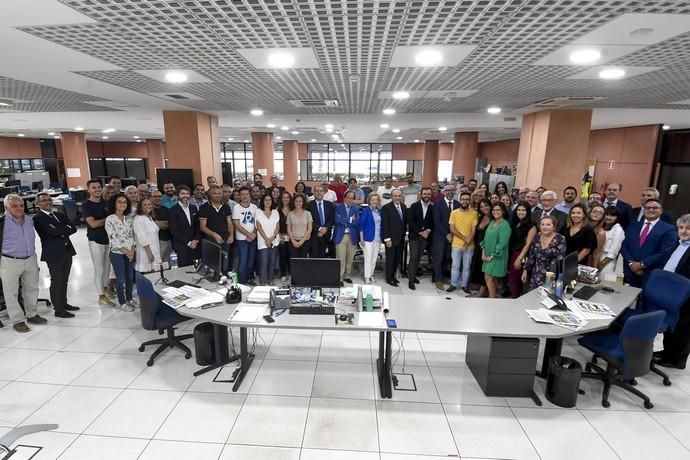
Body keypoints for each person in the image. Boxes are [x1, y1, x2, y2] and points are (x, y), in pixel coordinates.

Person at [0, 195, 47, 332]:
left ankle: (32, 314)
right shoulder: (2, 222)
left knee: (32, 288)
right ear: (6, 207)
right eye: (15, 206)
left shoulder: (29, 220)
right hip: (10, 261)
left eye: (21, 205)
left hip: (30, 258)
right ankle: (18, 320)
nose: (19, 208)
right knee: (11, 292)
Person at [34, 193, 79, 318]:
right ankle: (58, 309)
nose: (48, 202)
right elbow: (52, 232)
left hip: (67, 251)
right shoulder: (38, 218)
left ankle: (64, 303)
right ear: (38, 204)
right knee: (57, 281)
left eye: (49, 200)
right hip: (53, 254)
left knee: (64, 280)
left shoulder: (59, 215)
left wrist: (61, 231)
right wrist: (64, 230)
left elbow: (73, 228)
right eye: (43, 200)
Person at [654, 214, 690, 369]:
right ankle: (667, 352)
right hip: (671, 291)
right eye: (681, 228)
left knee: (683, 327)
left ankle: (678, 360)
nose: (684, 231)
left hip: (686, 294)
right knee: (672, 324)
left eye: (688, 228)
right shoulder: (679, 243)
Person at [621, 198, 676, 288]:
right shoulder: (633, 225)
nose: (651, 210)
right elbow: (624, 246)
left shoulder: (669, 229)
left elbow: (665, 252)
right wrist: (631, 263)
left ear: (661, 210)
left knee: (644, 300)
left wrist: (641, 265)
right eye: (648, 208)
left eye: (655, 208)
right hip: (630, 271)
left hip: (649, 273)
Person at [83, 179, 115, 306]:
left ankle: (106, 289)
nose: (97, 189)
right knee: (99, 269)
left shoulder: (105, 203)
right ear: (89, 190)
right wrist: (108, 219)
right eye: (94, 187)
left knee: (107, 268)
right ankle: (100, 296)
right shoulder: (87, 205)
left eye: (98, 187)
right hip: (96, 240)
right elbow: (93, 223)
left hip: (108, 240)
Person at [105, 194, 137, 311]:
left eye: (124, 202)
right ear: (114, 204)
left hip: (130, 252)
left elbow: (132, 236)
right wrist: (125, 251)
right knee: (121, 278)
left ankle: (129, 299)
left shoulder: (128, 219)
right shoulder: (110, 219)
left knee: (130, 277)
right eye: (119, 202)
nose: (122, 204)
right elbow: (113, 238)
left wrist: (132, 250)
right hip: (117, 253)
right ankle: (122, 302)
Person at [522, 216, 567, 290]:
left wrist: (559, 279)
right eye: (542, 224)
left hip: (552, 275)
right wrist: (525, 270)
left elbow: (561, 259)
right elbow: (531, 256)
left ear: (554, 226)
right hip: (536, 275)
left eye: (548, 224)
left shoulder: (560, 238)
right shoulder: (537, 237)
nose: (545, 227)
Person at [447, 192, 477, 294]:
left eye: (467, 199)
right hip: (456, 244)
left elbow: (473, 231)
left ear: (470, 200)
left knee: (466, 267)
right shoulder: (454, 213)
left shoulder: (474, 213)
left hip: (469, 246)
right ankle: (453, 284)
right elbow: (452, 229)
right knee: (455, 266)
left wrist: (466, 244)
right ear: (460, 200)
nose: (465, 201)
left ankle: (464, 285)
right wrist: (465, 238)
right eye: (463, 199)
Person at [199, 185, 234, 270]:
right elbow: (202, 227)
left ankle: (224, 279)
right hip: (210, 241)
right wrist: (215, 235)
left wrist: (231, 235)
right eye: (215, 193)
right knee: (213, 265)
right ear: (210, 194)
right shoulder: (204, 207)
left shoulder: (226, 207)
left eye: (219, 193)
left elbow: (229, 223)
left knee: (225, 264)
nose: (217, 195)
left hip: (225, 239)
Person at [431, 185, 459, 289]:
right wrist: (446, 234)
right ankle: (437, 279)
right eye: (448, 190)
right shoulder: (438, 204)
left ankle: (442, 276)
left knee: (447, 258)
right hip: (440, 236)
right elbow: (437, 222)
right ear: (444, 192)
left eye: (452, 190)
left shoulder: (458, 204)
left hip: (453, 236)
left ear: (455, 191)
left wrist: (452, 234)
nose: (450, 192)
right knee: (438, 258)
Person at [481, 203, 512, 298]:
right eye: (494, 210)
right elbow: (485, 239)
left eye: (498, 210)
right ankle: (493, 299)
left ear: (503, 211)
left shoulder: (505, 225)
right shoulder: (491, 222)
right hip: (487, 255)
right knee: (492, 279)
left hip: (497, 256)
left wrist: (492, 255)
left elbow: (502, 243)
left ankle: (491, 300)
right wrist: (483, 253)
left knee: (488, 277)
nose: (495, 212)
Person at [508, 202, 537, 298]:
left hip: (520, 254)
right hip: (512, 252)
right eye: (519, 210)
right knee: (512, 279)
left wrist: (519, 258)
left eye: (523, 210)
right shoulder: (515, 223)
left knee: (515, 279)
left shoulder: (532, 226)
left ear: (528, 212)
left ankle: (515, 300)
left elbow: (528, 244)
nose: (521, 212)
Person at [407, 186, 433, 290]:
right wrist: (420, 231)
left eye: (428, 194)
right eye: (425, 194)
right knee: (413, 258)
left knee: (418, 258)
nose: (427, 196)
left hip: (425, 237)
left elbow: (432, 222)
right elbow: (410, 221)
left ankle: (413, 276)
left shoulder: (432, 207)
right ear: (421, 195)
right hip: (414, 236)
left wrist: (428, 231)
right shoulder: (414, 206)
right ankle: (411, 280)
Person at [168, 185, 200, 267]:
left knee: (196, 268)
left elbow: (198, 226)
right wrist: (189, 243)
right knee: (183, 271)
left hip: (195, 246)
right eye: (183, 193)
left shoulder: (193, 208)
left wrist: (196, 240)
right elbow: (174, 231)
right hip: (181, 247)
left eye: (187, 193)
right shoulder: (173, 210)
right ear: (178, 195)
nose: (185, 196)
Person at [333, 190, 360, 285]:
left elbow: (357, 222)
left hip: (352, 236)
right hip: (341, 236)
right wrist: (349, 219)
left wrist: (344, 221)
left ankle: (347, 276)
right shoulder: (338, 207)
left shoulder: (356, 208)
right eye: (348, 197)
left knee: (350, 258)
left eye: (352, 198)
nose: (350, 200)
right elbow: (336, 219)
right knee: (340, 258)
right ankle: (339, 278)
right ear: (344, 198)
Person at [381, 189, 407, 287]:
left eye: (399, 196)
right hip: (391, 239)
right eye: (395, 196)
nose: (397, 198)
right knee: (390, 259)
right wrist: (387, 239)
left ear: (401, 196)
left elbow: (403, 224)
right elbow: (385, 225)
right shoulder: (386, 208)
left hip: (400, 239)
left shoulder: (404, 207)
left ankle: (393, 276)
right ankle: (389, 278)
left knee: (397, 259)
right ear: (392, 197)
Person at [233, 187, 258, 285]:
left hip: (253, 238)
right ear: (239, 196)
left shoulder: (254, 207)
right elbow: (236, 224)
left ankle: (249, 278)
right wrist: (248, 234)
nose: (245, 196)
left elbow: (257, 223)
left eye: (246, 194)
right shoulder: (236, 208)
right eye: (242, 194)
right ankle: (242, 281)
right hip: (242, 239)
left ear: (249, 195)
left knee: (251, 260)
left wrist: (254, 234)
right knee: (243, 260)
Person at [255, 194, 280, 285]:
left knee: (272, 261)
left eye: (269, 200)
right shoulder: (258, 211)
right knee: (264, 262)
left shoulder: (275, 212)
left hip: (274, 240)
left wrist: (272, 238)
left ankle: (270, 279)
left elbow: (277, 226)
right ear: (263, 201)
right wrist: (266, 239)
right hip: (263, 241)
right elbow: (258, 226)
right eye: (266, 200)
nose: (268, 201)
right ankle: (263, 281)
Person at [132, 197, 162, 273]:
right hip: (145, 252)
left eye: (149, 204)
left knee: (156, 274)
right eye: (145, 204)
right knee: (148, 275)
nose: (148, 206)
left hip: (155, 249)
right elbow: (141, 237)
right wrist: (149, 253)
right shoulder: (138, 218)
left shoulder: (149, 217)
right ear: (140, 207)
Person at [470, 199, 492, 297]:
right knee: (479, 268)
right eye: (482, 207)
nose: (484, 208)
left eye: (486, 206)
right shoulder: (481, 217)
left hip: (487, 248)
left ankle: (482, 293)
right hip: (478, 247)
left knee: (486, 270)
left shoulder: (493, 218)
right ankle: (482, 289)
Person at [359, 193, 382, 284]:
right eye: (373, 200)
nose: (374, 201)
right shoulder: (366, 211)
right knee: (368, 259)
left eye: (376, 200)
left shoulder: (379, 211)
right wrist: (362, 239)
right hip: (367, 239)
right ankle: (367, 276)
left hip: (377, 238)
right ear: (369, 201)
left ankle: (371, 274)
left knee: (374, 259)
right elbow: (361, 226)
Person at [307, 185, 335, 258]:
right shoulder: (309, 205)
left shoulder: (329, 204)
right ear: (313, 193)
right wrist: (319, 229)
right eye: (317, 191)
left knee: (323, 257)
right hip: (314, 235)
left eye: (321, 191)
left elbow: (331, 219)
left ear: (324, 193)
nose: (319, 193)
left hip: (326, 234)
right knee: (314, 256)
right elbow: (309, 220)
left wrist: (325, 228)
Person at [597, 206, 625, 274]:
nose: (608, 217)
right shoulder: (603, 226)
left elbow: (613, 251)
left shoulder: (618, 230)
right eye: (607, 214)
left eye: (612, 216)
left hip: (607, 261)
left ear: (617, 217)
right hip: (598, 257)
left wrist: (601, 264)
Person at [287, 193, 313, 258]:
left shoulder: (308, 214)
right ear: (294, 202)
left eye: (300, 201)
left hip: (305, 241)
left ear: (303, 202)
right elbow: (289, 229)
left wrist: (302, 240)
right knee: (294, 262)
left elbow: (309, 229)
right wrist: (292, 240)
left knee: (302, 262)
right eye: (296, 201)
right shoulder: (290, 214)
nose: (298, 203)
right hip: (293, 242)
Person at [150, 190, 172, 263]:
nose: (157, 198)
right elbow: (150, 225)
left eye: (159, 196)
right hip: (155, 241)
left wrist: (157, 223)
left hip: (168, 240)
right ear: (151, 198)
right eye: (155, 196)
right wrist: (156, 224)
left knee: (167, 264)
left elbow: (170, 224)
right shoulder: (148, 210)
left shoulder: (166, 209)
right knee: (157, 265)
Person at [277, 191, 292, 281]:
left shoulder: (293, 209)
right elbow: (276, 224)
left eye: (287, 197)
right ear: (281, 199)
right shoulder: (277, 210)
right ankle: (283, 274)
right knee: (282, 256)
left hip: (292, 236)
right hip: (281, 236)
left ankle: (290, 273)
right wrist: (279, 235)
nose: (286, 199)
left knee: (291, 255)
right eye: (284, 198)